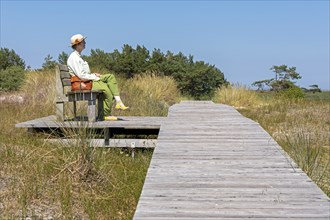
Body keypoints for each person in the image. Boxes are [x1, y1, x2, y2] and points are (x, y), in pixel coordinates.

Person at [67, 34, 128, 121]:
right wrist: (94, 77)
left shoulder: (78, 57)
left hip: (88, 80)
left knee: (110, 77)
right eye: (83, 42)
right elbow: (81, 76)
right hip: (84, 83)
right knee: (107, 90)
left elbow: (83, 73)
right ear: (78, 44)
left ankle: (118, 102)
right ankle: (105, 115)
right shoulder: (74, 58)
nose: (85, 43)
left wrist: (93, 74)